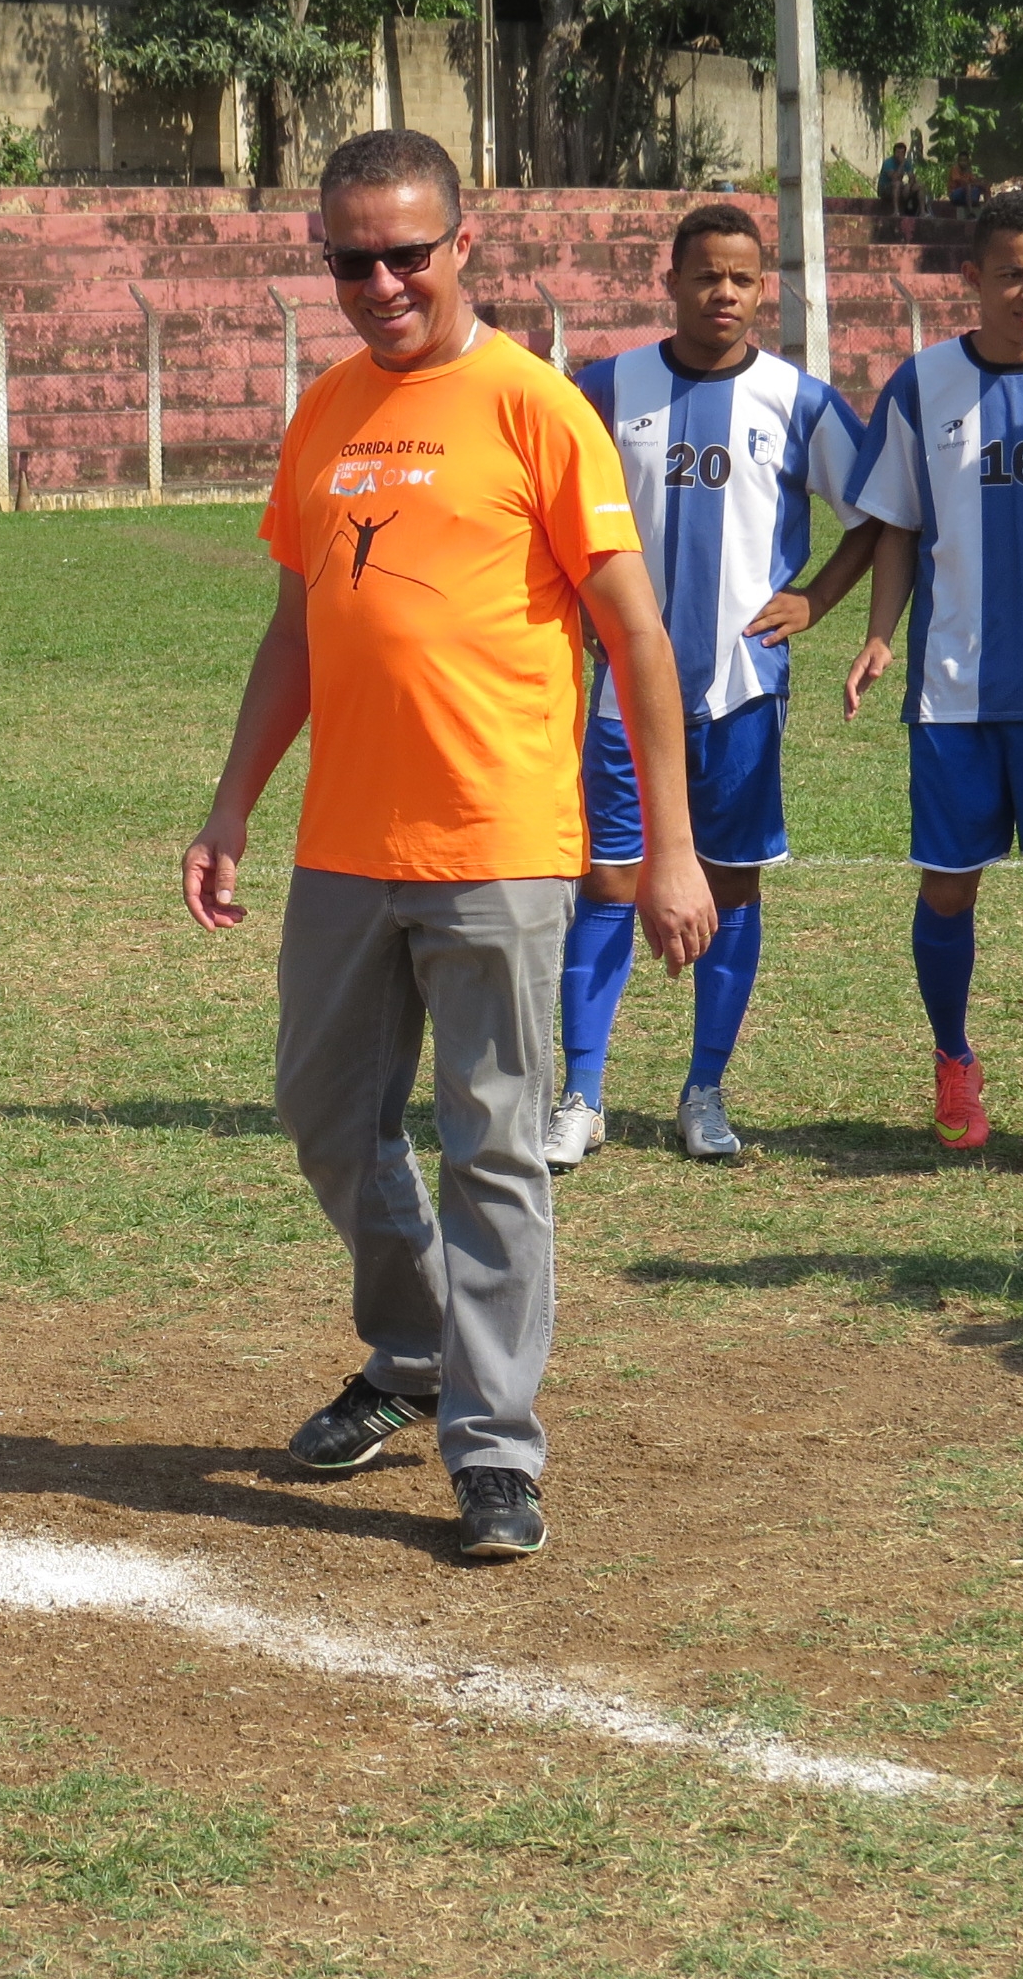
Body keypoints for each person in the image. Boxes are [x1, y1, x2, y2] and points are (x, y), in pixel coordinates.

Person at [180, 129, 716, 1561]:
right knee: (324, 1120)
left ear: (462, 244)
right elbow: (298, 628)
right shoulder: (325, 412)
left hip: (497, 844)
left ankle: (493, 1450)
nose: (380, 285)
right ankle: (415, 1351)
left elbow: (636, 637)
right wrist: (233, 803)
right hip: (345, 849)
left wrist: (669, 847)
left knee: (493, 1148)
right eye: (349, 261)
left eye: (406, 254)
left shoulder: (536, 408)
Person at [553, 202, 880, 1167]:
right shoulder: (605, 389)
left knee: (732, 884)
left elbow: (874, 513)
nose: (724, 293)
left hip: (741, 689)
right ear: (671, 282)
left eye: (742, 278)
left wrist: (816, 599)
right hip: (620, 689)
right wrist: (574, 608)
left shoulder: (798, 400)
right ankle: (582, 1093)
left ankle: (705, 1090)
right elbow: (545, 512)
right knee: (608, 881)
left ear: (762, 288)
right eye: (706, 275)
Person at [840, 189, 1023, 1180]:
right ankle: (953, 1062)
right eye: (1011, 273)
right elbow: (896, 525)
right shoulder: (922, 384)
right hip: (953, 689)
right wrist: (878, 636)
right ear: (972, 276)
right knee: (946, 885)